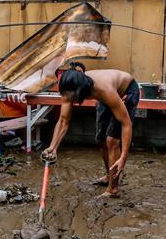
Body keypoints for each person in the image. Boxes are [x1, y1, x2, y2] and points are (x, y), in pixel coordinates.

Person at [42, 62, 138, 198]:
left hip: (126, 91)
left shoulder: (104, 89)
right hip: (105, 98)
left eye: (73, 98)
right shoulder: (69, 88)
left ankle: (113, 189)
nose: (71, 100)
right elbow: (63, 121)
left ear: (81, 92)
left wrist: (123, 157)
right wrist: (53, 147)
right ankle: (108, 176)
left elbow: (126, 123)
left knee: (111, 140)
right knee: (101, 140)